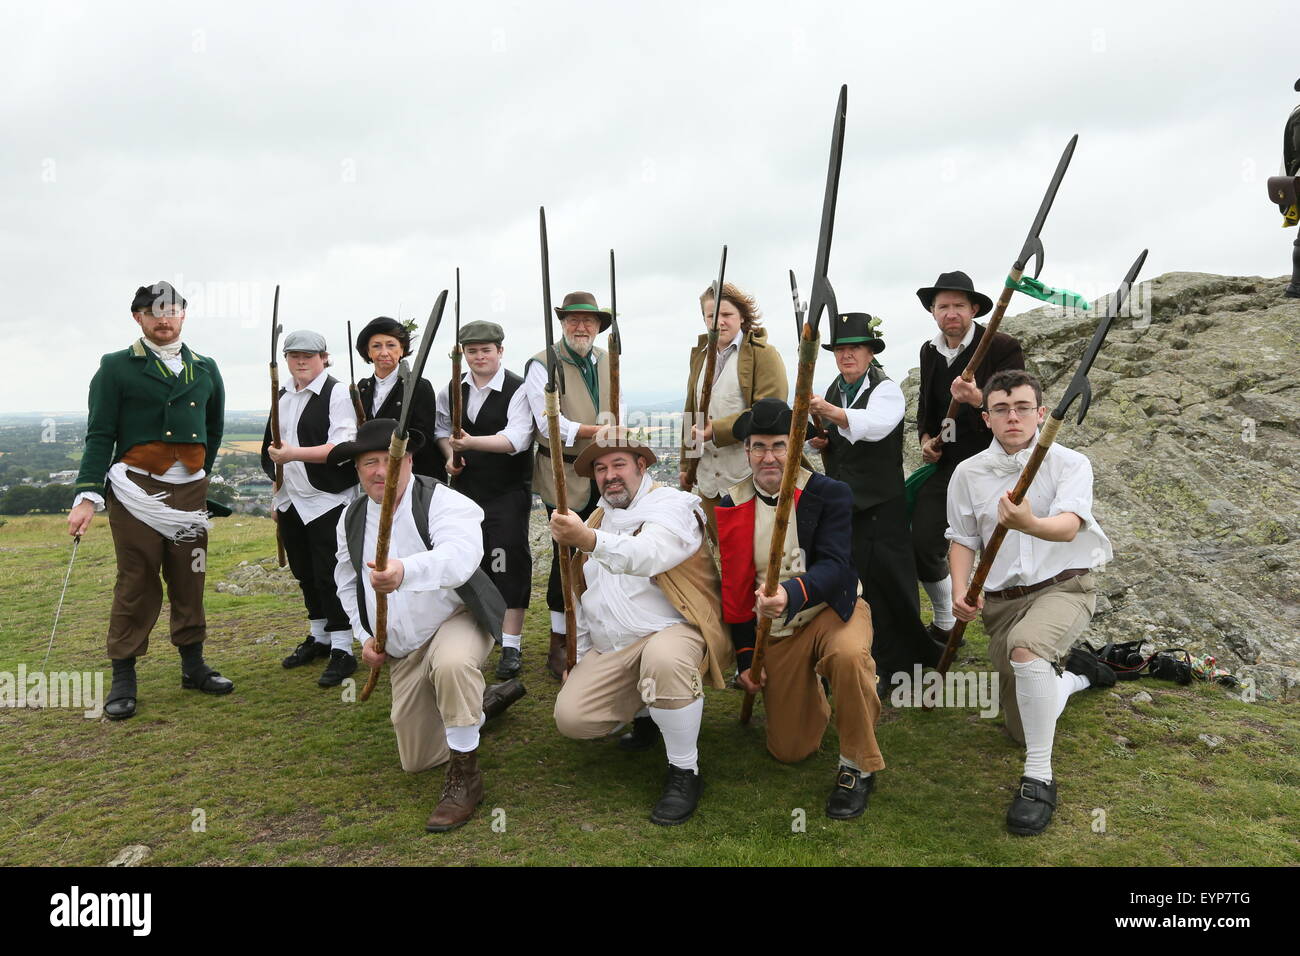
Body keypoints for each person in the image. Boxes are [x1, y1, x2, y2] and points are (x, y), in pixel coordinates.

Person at [330, 418, 525, 833]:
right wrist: (364, 637)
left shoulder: (444, 502)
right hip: (405, 644)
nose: (380, 471)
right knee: (416, 759)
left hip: (457, 618)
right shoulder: (351, 516)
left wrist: (405, 571)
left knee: (453, 666)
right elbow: (346, 582)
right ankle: (481, 706)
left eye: (389, 460)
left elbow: (461, 557)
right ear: (358, 469)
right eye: (369, 462)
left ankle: (466, 780)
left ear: (409, 461)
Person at [946, 369, 1116, 836]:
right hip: (1002, 605)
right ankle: (1077, 675)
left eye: (1022, 407)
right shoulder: (967, 473)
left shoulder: (1069, 463)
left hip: (1064, 588)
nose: (1012, 417)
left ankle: (1038, 778)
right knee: (1018, 725)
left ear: (1041, 413)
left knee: (1026, 649)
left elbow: (1066, 526)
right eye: (1001, 409)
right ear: (986, 418)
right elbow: (961, 539)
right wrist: (961, 589)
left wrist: (1028, 522)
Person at [67, 280, 233, 720]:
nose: (164, 318)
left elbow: (213, 431)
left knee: (189, 575)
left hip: (190, 490)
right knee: (136, 579)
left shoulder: (206, 367)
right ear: (138, 317)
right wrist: (87, 496)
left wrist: (197, 473)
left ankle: (193, 665)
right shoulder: (116, 367)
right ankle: (124, 674)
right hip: (136, 489)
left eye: (172, 310)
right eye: (154, 311)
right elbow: (100, 433)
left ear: (183, 316)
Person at [549, 427, 731, 826]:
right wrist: (576, 656)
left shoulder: (675, 506)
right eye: (600, 468)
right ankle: (649, 714)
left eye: (619, 464)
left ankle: (685, 772)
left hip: (673, 631)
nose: (609, 475)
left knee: (663, 660)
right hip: (613, 645)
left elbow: (648, 555)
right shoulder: (598, 517)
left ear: (643, 465)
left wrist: (588, 539)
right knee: (572, 719)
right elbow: (584, 597)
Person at [716, 398, 884, 819]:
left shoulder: (830, 494)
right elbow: (735, 589)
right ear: (746, 451)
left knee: (848, 657)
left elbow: (836, 565)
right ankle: (821, 698)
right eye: (758, 446)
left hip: (832, 609)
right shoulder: (730, 503)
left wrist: (792, 594)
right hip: (776, 630)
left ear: (797, 446)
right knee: (790, 750)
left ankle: (857, 765)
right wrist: (743, 658)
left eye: (779, 445)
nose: (769, 457)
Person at [809, 313, 937, 685]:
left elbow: (876, 427)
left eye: (855, 349)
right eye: (841, 350)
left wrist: (828, 412)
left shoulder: (886, 389)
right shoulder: (836, 388)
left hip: (882, 505)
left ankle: (900, 663)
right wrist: (823, 439)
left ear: (870, 353)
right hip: (847, 504)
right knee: (854, 579)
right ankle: (860, 658)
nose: (847, 356)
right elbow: (840, 436)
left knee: (889, 581)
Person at [913, 271, 1024, 649]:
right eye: (943, 306)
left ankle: (1019, 634)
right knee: (921, 540)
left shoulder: (1003, 346)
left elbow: (1017, 409)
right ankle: (945, 622)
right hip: (949, 467)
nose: (951, 313)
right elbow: (927, 410)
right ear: (933, 311)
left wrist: (979, 399)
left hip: (998, 463)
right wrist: (928, 440)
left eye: (959, 305)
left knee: (1008, 547)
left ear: (974, 309)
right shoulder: (929, 351)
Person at [435, 320, 534, 680]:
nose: (479, 357)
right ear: (464, 354)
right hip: (466, 492)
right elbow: (442, 428)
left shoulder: (519, 389)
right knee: (470, 560)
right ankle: (474, 638)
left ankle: (511, 645)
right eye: (471, 351)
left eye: (485, 350)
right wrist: (450, 455)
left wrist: (470, 443)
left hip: (507, 491)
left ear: (500, 351)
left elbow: (516, 439)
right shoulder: (452, 388)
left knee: (509, 562)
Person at [524, 291, 615, 679]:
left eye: (589, 321)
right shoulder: (542, 365)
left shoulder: (607, 360)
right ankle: (559, 642)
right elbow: (549, 424)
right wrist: (600, 430)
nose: (581, 327)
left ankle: (599, 632)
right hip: (562, 474)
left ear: (597, 326)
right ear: (563, 323)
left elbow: (617, 404)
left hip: (605, 473)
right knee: (566, 557)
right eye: (574, 320)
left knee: (604, 553)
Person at [261, 330, 359, 687]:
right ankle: (319, 636)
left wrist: (295, 455)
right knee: (303, 571)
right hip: (290, 499)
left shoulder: (337, 393)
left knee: (331, 573)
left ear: (324, 357)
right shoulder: (282, 394)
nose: (301, 361)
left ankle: (343, 648)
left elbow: (343, 446)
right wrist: (277, 496)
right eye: (294, 355)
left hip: (327, 498)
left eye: (309, 355)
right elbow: (272, 450)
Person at [680, 282, 787, 535]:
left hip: (749, 478)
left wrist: (715, 430)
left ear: (742, 316)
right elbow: (690, 411)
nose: (718, 323)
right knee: (725, 559)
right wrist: (686, 464)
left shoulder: (764, 355)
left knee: (756, 554)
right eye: (711, 316)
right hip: (708, 481)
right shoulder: (700, 356)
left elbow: (770, 413)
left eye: (726, 315)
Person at [353, 316, 446, 480]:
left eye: (391, 345)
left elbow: (423, 436)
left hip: (414, 474)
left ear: (402, 349)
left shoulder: (419, 386)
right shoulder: (362, 388)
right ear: (368, 352)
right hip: (376, 474)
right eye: (376, 346)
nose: (384, 352)